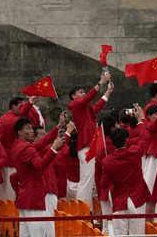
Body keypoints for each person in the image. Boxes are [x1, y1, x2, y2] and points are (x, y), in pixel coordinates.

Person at [13, 117, 67, 237]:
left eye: (31, 128)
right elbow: (40, 165)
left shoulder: (18, 146)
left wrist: (58, 126)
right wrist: (54, 148)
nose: (32, 131)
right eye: (28, 128)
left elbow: (40, 144)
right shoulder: (26, 148)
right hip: (33, 198)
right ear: (20, 132)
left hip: (24, 198)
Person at [68, 71, 112, 209]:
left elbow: (97, 107)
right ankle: (83, 212)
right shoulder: (75, 104)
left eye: (82, 91)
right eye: (79, 92)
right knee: (87, 181)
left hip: (89, 145)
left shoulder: (84, 107)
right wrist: (101, 83)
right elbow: (88, 98)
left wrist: (108, 92)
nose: (82, 93)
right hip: (87, 145)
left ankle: (85, 211)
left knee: (87, 180)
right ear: (73, 96)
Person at [101, 126, 149, 237]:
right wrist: (141, 120)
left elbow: (104, 184)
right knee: (138, 235)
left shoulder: (107, 161)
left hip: (119, 201)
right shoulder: (135, 152)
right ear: (126, 140)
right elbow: (145, 137)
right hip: (137, 199)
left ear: (112, 142)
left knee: (120, 235)